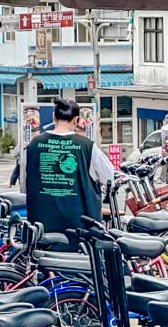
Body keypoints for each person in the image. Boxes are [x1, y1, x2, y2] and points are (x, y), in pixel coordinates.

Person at [21, 99, 115, 242]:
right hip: (79, 229)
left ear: (54, 116)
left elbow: (24, 186)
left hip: (42, 225)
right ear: (77, 120)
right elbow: (109, 177)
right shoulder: (87, 146)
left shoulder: (34, 145)